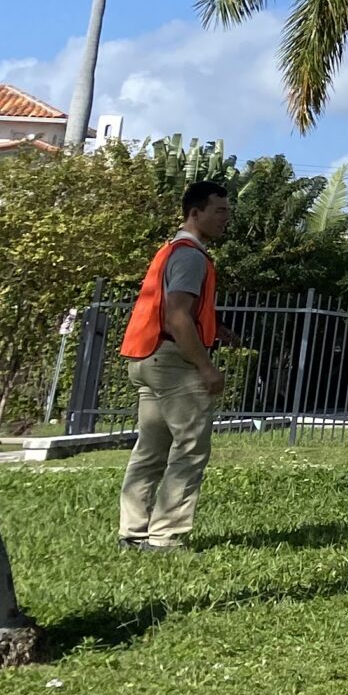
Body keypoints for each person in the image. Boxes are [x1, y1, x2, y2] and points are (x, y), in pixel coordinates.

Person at [117, 181, 232, 549]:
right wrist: (206, 367)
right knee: (190, 447)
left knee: (150, 450)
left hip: (146, 357)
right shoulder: (191, 256)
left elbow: (174, 310)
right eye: (219, 211)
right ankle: (166, 536)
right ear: (194, 213)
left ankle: (133, 531)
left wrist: (216, 329)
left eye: (227, 212)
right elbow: (177, 316)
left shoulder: (170, 250)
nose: (226, 219)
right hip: (172, 362)